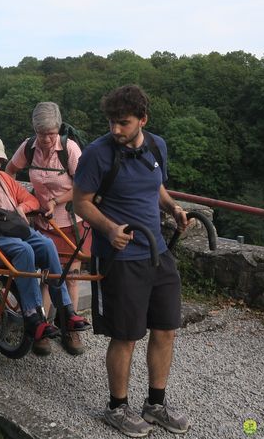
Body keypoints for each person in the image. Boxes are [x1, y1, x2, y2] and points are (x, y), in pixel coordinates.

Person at [73, 85, 190, 437]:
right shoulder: (97, 154)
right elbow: (80, 202)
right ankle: (117, 407)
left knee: (166, 329)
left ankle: (155, 404)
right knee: (125, 336)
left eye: (123, 123)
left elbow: (154, 186)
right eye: (111, 122)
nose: (115, 130)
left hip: (158, 254)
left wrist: (172, 208)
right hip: (120, 258)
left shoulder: (157, 146)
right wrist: (109, 229)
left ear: (143, 120)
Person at [0, 135, 87, 342]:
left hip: (12, 227)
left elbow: (30, 199)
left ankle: (66, 311)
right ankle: (32, 317)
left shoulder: (4, 178)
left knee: (47, 245)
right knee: (24, 249)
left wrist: (21, 207)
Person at [6, 102, 92, 356]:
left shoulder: (70, 149)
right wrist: (19, 200)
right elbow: (9, 172)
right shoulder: (28, 147)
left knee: (71, 277)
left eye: (51, 134)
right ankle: (41, 329)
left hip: (70, 222)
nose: (46, 139)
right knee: (46, 277)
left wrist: (56, 201)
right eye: (42, 134)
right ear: (35, 131)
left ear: (59, 130)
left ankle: (69, 329)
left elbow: (85, 185)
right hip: (41, 222)